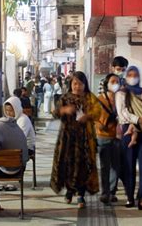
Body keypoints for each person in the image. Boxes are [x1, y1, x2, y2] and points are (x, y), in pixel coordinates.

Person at [51, 71, 101, 209]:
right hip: (67, 138)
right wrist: (63, 110)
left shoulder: (90, 98)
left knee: (83, 166)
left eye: (80, 83)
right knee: (68, 164)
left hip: (85, 138)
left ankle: (81, 194)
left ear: (85, 85)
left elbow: (98, 112)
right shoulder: (65, 98)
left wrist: (88, 116)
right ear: (70, 84)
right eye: (74, 83)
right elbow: (54, 113)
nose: (77, 86)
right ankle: (69, 191)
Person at [116, 66, 142, 211]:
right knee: (128, 166)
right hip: (128, 131)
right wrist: (138, 119)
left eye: (135, 75)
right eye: (130, 75)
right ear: (126, 77)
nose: (133, 77)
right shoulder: (121, 93)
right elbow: (122, 113)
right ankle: (130, 196)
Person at [94, 73, 121, 204]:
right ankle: (105, 192)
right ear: (106, 84)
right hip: (103, 137)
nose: (115, 83)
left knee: (116, 166)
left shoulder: (121, 99)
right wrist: (100, 126)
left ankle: (112, 192)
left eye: (117, 81)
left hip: (117, 137)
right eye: (112, 81)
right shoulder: (99, 100)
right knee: (105, 166)